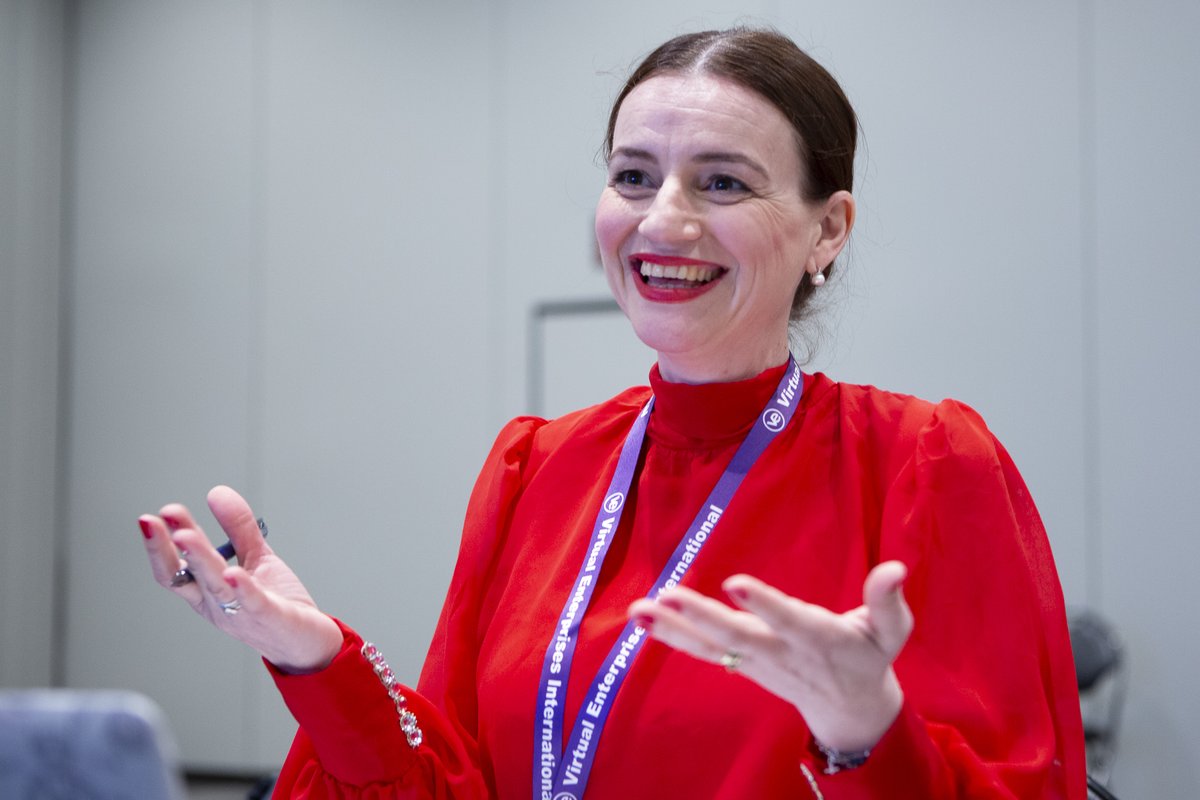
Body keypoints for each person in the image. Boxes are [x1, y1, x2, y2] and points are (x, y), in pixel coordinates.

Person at [138, 28, 1086, 799]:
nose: (661, 219)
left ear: (826, 229)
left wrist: (863, 734)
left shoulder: (923, 463)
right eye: (634, 176)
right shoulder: (536, 467)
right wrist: (315, 657)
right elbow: (451, 786)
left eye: (722, 182)